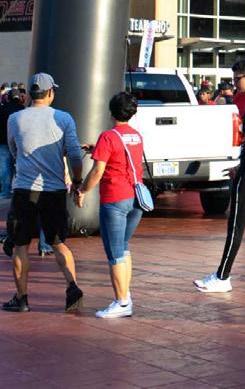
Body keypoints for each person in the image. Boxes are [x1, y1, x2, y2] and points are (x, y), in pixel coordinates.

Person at [3, 73, 83, 313]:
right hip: (54, 190)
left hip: (24, 189)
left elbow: (13, 149)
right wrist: (77, 181)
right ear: (50, 93)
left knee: (20, 245)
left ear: (30, 93)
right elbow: (75, 155)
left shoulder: (15, 118)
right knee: (58, 243)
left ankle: (21, 298)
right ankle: (72, 287)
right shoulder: (64, 118)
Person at [194, 59, 245, 293]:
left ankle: (222, 277)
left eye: (238, 78)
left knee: (236, 226)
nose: (235, 83)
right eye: (234, 79)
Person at [74, 92, 145, 318]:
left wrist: (82, 190)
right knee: (123, 247)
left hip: (115, 200)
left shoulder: (108, 137)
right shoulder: (136, 136)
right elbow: (121, 155)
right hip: (136, 199)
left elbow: (97, 172)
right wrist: (97, 149)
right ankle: (126, 295)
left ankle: (122, 303)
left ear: (111, 112)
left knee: (114, 254)